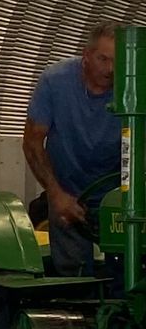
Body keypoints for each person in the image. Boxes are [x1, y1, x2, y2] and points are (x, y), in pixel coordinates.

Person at [25, 20, 120, 275]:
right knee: (74, 275)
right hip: (68, 194)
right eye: (103, 59)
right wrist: (56, 195)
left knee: (125, 276)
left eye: (117, 61)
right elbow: (33, 142)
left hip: (117, 197)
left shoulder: (134, 85)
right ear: (86, 55)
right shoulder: (55, 81)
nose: (111, 69)